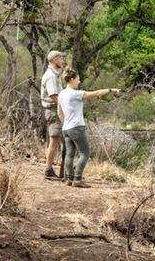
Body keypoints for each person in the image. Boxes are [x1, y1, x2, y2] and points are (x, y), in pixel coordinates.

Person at [57, 67, 120, 188]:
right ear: (72, 79)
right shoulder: (76, 94)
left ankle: (69, 179)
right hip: (77, 127)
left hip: (66, 128)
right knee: (85, 153)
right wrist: (111, 90)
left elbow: (59, 112)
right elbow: (96, 93)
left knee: (70, 153)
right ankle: (78, 179)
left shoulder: (61, 94)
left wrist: (66, 124)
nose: (79, 81)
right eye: (78, 79)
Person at [40, 50, 65, 180]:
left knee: (62, 140)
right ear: (55, 59)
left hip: (56, 110)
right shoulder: (50, 76)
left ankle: (63, 170)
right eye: (60, 58)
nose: (62, 60)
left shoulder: (55, 74)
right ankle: (48, 170)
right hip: (53, 110)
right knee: (54, 140)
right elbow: (54, 97)